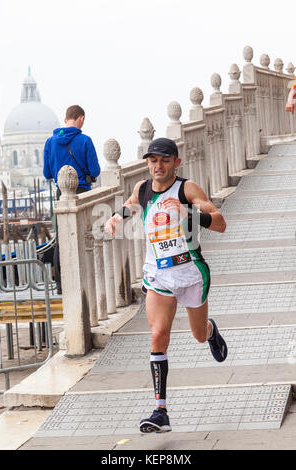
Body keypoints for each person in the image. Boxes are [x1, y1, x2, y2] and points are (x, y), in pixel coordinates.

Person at [105, 137, 227, 433]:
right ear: (147, 163)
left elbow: (221, 222)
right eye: (153, 160)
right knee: (158, 334)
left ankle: (210, 330)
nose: (158, 166)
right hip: (158, 275)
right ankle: (161, 412)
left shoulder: (187, 189)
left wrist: (189, 213)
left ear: (176, 162)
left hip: (190, 273)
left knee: (197, 335)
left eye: (165, 160)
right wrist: (115, 217)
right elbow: (132, 204)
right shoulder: (143, 188)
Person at [43, 105, 101, 293]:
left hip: (62, 195)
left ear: (65, 117)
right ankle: (87, 278)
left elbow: (47, 173)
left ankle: (61, 283)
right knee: (87, 237)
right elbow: (95, 171)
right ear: (81, 119)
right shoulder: (85, 141)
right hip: (83, 193)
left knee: (62, 239)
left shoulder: (50, 143)